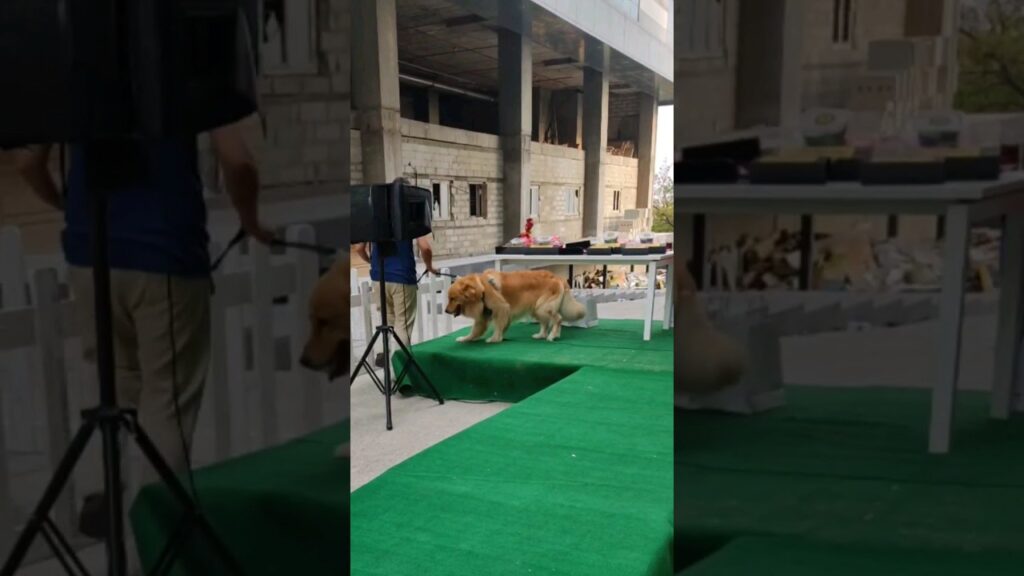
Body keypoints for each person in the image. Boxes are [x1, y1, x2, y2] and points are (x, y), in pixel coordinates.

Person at [13, 118, 273, 539]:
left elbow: (27, 161)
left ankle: (105, 492)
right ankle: (153, 534)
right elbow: (238, 161)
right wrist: (253, 220)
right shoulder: (185, 57)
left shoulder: (79, 57)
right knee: (166, 399)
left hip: (89, 253)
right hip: (164, 254)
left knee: (111, 388)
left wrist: (68, 206)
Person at [354, 233, 437, 367]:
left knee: (386, 320)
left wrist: (372, 262)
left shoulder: (375, 213)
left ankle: (383, 352)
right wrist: (430, 266)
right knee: (403, 324)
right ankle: (399, 369)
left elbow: (359, 248)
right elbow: (425, 247)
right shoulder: (408, 214)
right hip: (401, 276)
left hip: (378, 277)